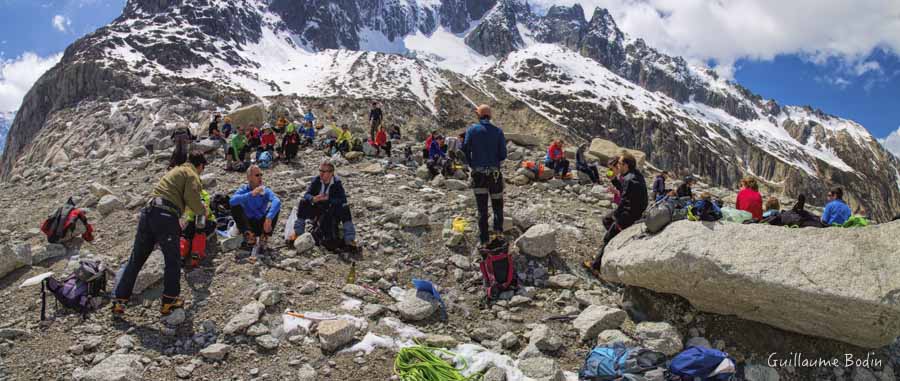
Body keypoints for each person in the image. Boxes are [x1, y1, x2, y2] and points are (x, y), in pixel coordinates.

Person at [112, 151, 208, 316]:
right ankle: (169, 301)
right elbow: (191, 197)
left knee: (136, 259)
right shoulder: (191, 173)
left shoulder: (176, 171)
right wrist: (202, 210)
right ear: (200, 166)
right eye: (202, 169)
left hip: (149, 213)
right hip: (165, 215)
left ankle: (119, 301)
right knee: (173, 260)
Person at [587, 152, 648, 272]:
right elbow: (624, 191)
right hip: (633, 211)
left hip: (629, 214)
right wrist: (614, 180)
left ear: (625, 165)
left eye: (619, 163)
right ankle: (616, 239)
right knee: (606, 220)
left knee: (608, 237)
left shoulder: (630, 179)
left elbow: (625, 201)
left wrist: (616, 215)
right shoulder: (634, 175)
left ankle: (595, 266)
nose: (617, 165)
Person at [462, 105, 507, 245]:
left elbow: (464, 149)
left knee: (482, 210)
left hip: (478, 175)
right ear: (490, 116)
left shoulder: (471, 130)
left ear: (479, 115)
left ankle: (484, 240)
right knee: (497, 207)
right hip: (494, 175)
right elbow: (503, 155)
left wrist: (472, 164)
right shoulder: (498, 131)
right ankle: (498, 236)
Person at [292, 160, 358, 251]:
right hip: (317, 208)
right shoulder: (317, 180)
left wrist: (329, 199)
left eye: (324, 171)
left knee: (345, 208)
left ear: (331, 173)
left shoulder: (337, 183)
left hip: (331, 210)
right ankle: (298, 234)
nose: (321, 174)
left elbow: (342, 199)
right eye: (320, 171)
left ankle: (350, 239)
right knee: (303, 202)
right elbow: (307, 194)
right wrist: (313, 198)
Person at [229, 165, 282, 253]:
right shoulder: (244, 189)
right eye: (257, 175)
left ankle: (263, 238)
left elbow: (277, 201)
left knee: (275, 209)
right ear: (249, 178)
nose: (260, 177)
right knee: (235, 206)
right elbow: (232, 201)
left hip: (262, 224)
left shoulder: (265, 190)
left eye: (261, 175)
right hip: (247, 224)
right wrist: (250, 194)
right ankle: (249, 238)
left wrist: (269, 218)